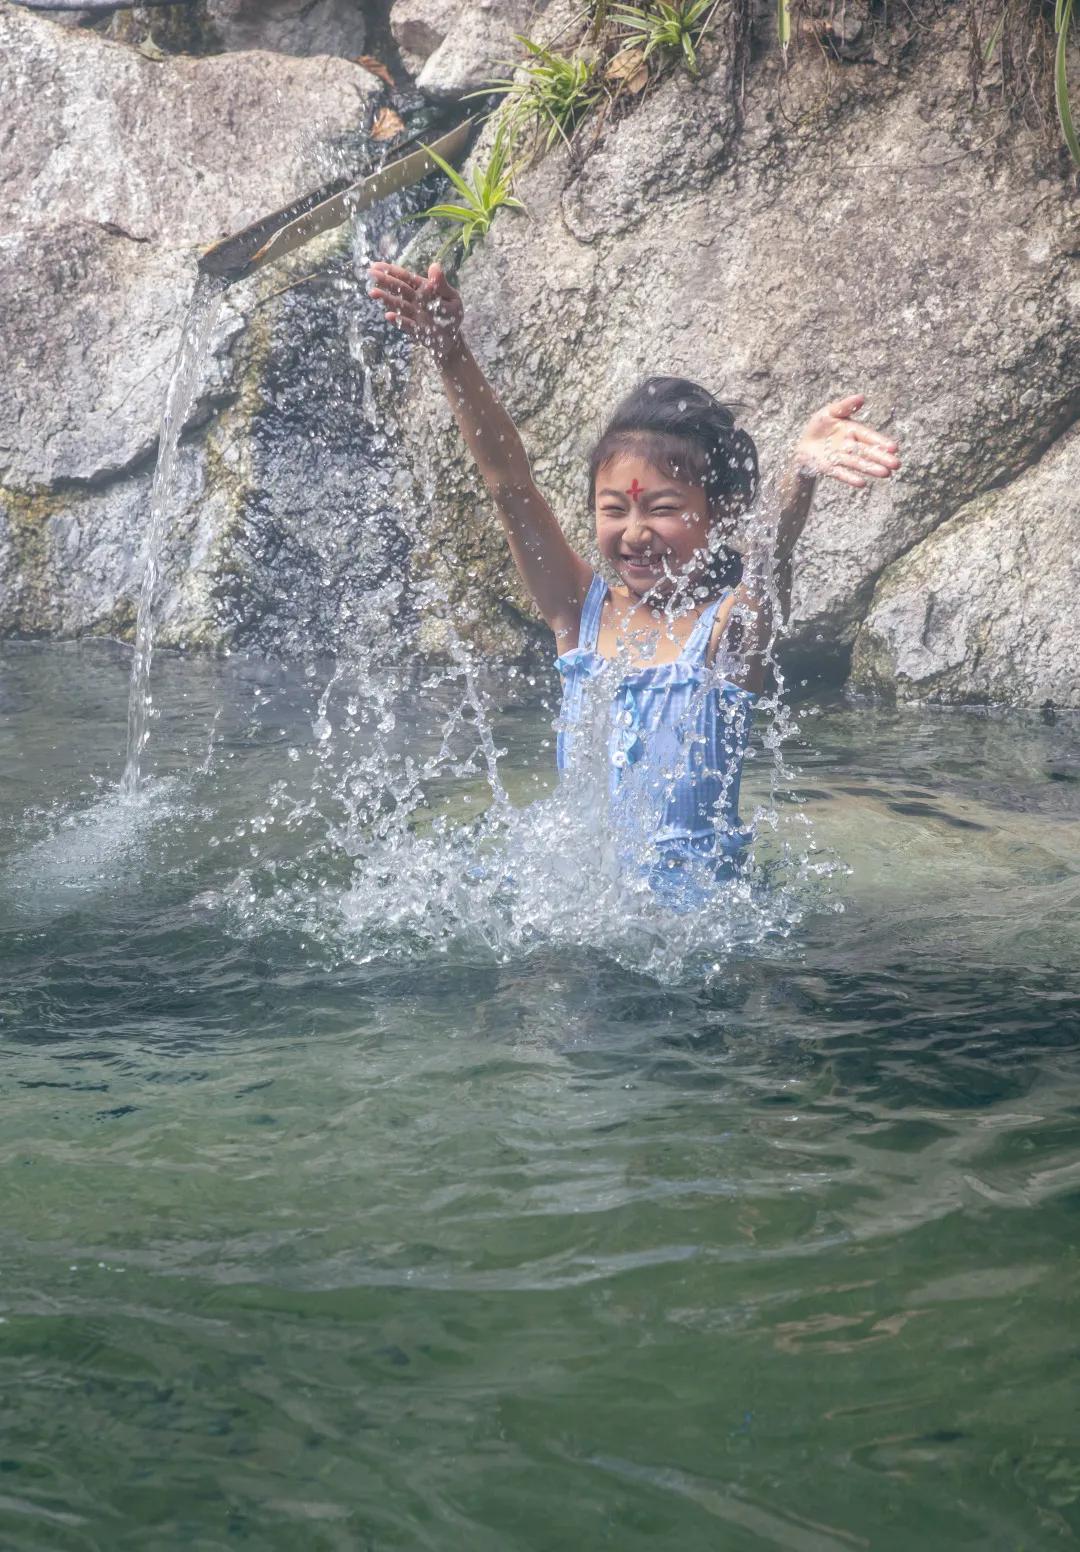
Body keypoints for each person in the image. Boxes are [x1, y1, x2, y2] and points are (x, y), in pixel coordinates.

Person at [368, 259, 900, 905]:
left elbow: (767, 566)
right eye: (614, 508)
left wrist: (800, 475)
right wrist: (452, 357)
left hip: (696, 918)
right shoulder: (578, 612)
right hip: (579, 910)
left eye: (664, 508)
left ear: (721, 513)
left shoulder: (725, 637)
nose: (635, 532)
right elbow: (508, 485)